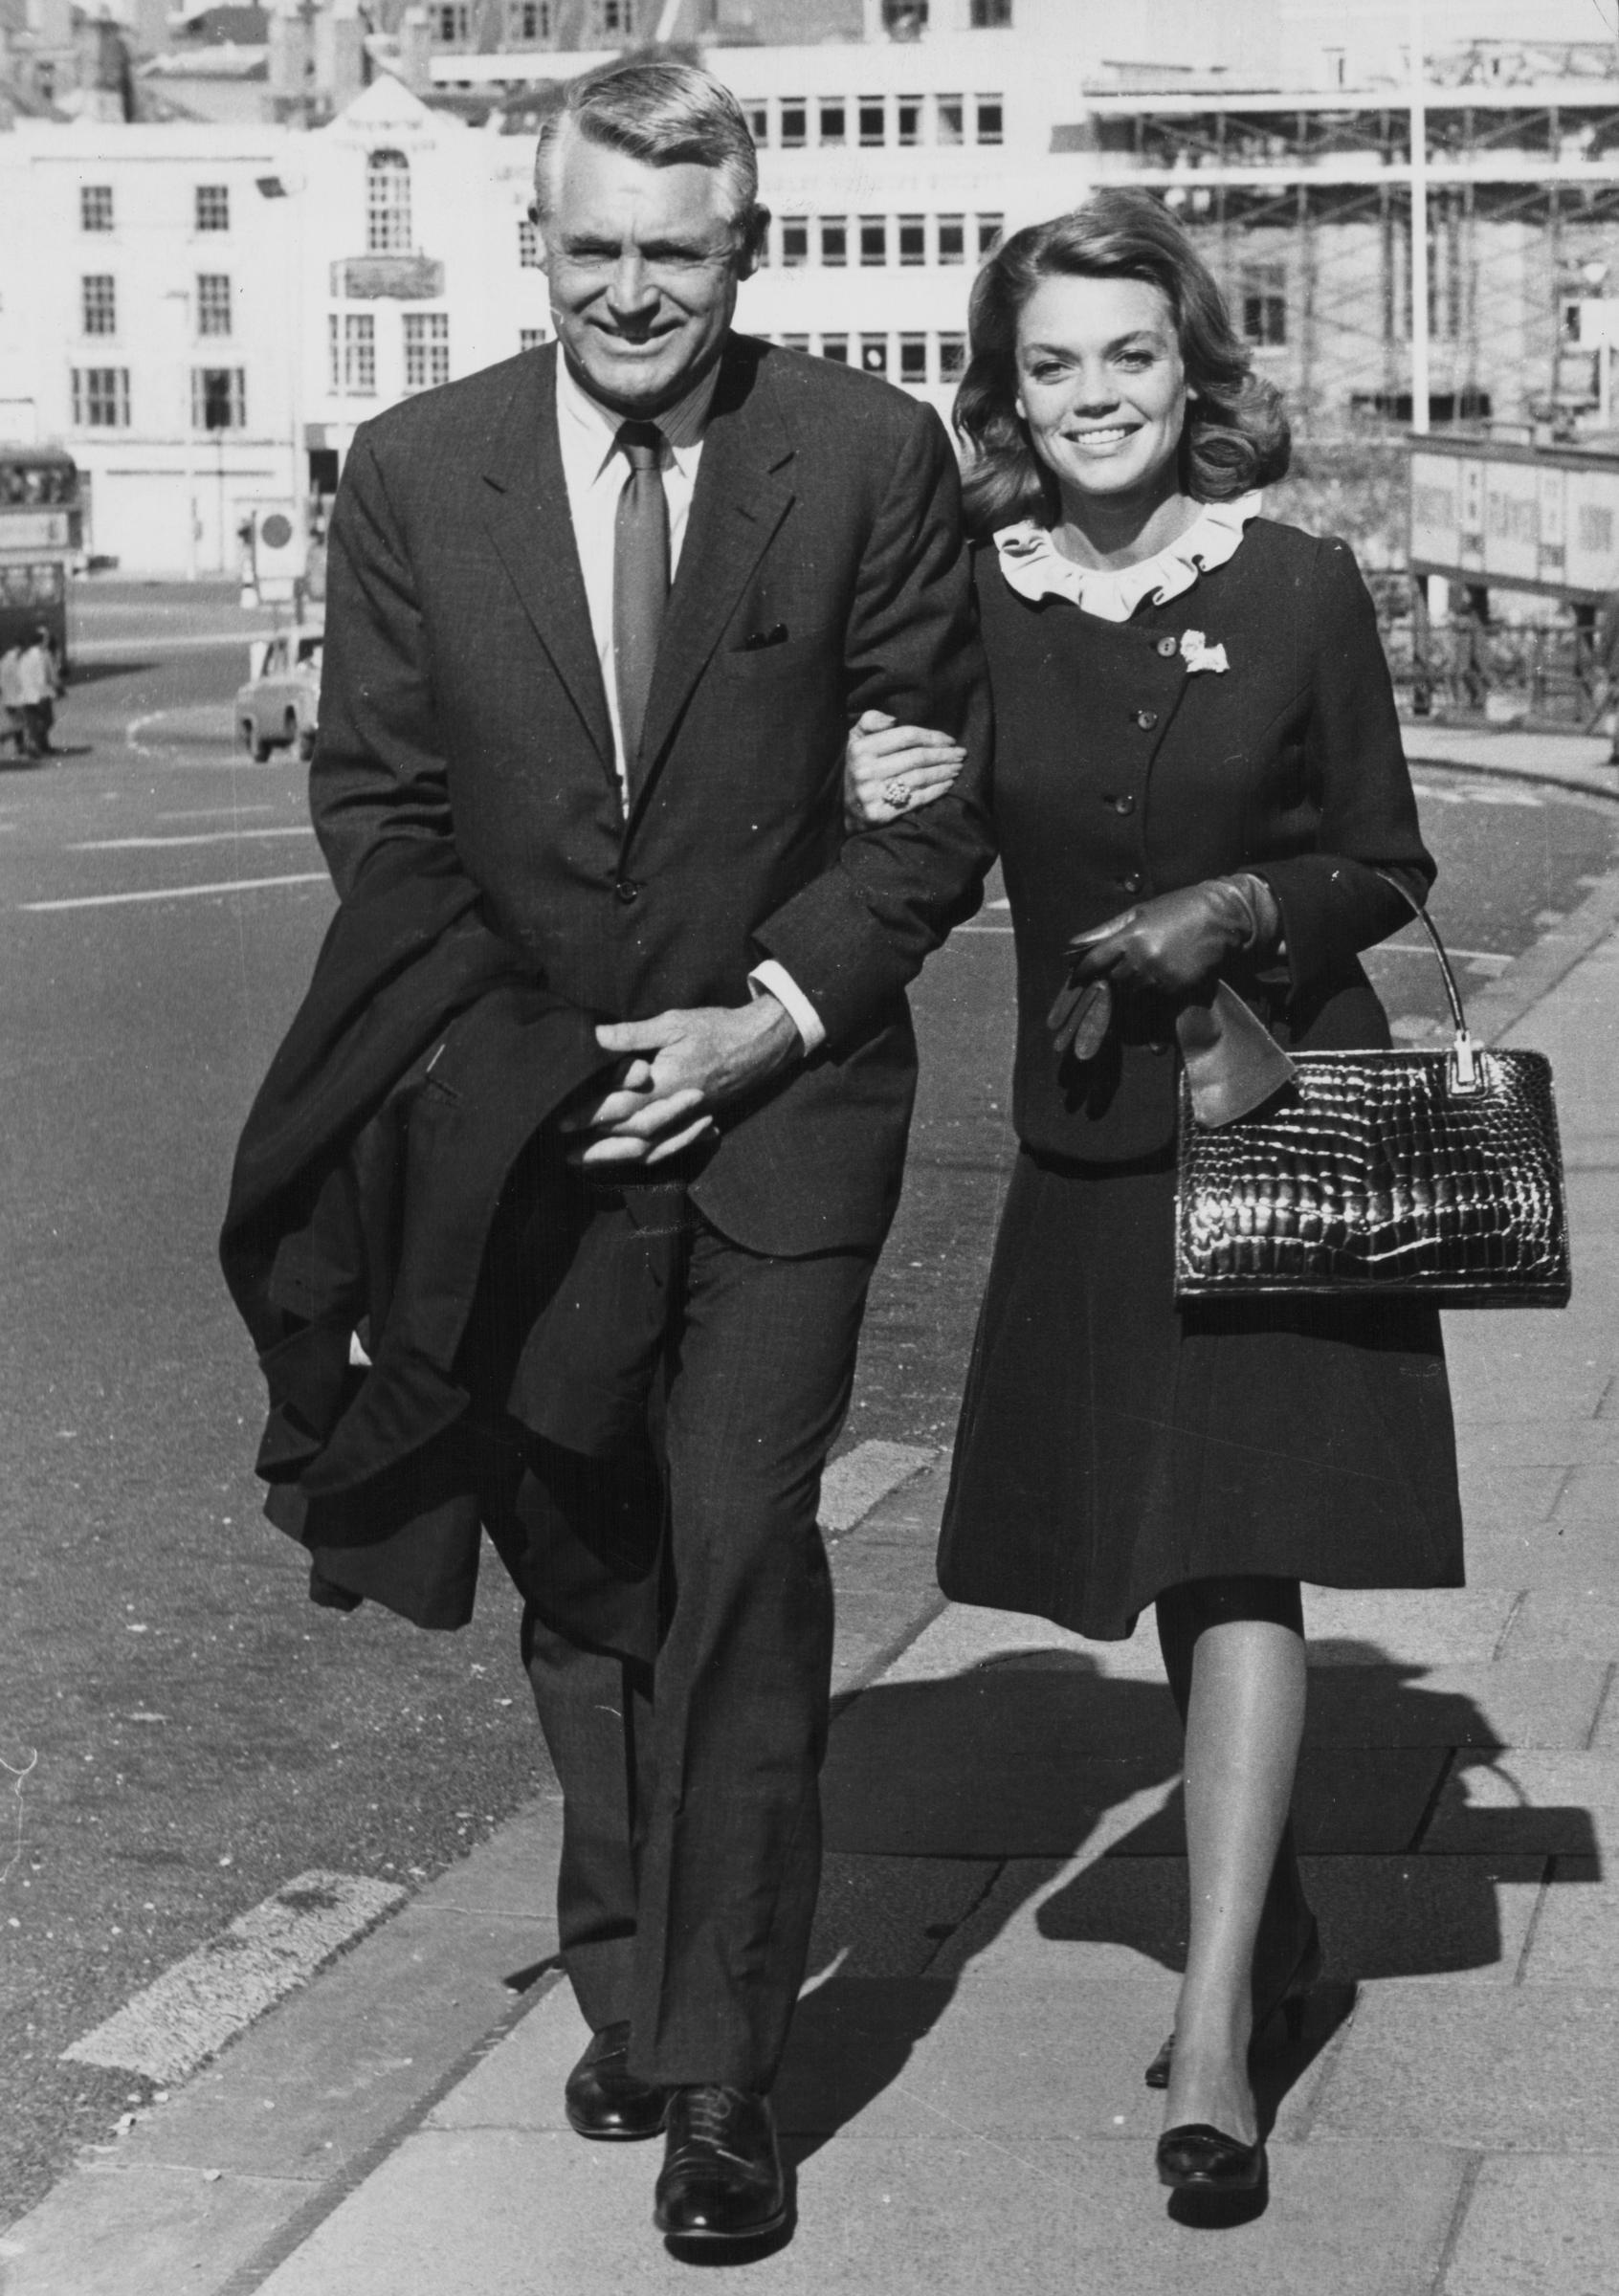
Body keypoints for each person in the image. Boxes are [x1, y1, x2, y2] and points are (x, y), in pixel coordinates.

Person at [226, 58, 990, 2250]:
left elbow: (920, 799)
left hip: (784, 1117)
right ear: (536, 246)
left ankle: (722, 2065)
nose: (633, 293)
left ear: (739, 250)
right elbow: (377, 817)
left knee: (735, 1542)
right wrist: (556, 1062)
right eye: (596, 251)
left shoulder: (861, 460)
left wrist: (758, 1022)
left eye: (678, 251)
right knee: (576, 1555)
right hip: (528, 1118)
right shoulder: (413, 469)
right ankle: (626, 1962)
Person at [846, 190, 1463, 2204]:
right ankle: (1260, 1926)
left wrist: (1243, 904)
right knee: (1170, 1569)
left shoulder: (1294, 583)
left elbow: (1385, 859)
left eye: (1131, 354)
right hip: (1097, 1138)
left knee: (1245, 1546)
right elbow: (907, 807)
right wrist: (872, 776)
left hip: (1279, 1108)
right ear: (1007, 392)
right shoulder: (967, 590)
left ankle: (1214, 2035)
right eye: (1055, 364)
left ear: (1193, 372)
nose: (1095, 394)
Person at [12, 627, 61, 759]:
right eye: (46, 639)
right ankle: (36, 747)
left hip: (25, 695)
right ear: (42, 641)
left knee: (34, 723)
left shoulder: (25, 655)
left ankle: (41, 746)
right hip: (40, 695)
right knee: (46, 721)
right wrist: (56, 689)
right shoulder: (44, 655)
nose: (47, 641)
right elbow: (48, 677)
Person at [0, 641, 27, 758]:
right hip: (15, 699)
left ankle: (20, 747)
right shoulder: (10, 662)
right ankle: (4, 739)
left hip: (9, 700)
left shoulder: (3, 663)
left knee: (19, 723)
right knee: (21, 724)